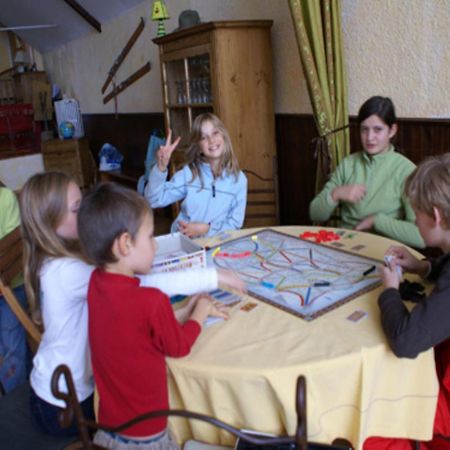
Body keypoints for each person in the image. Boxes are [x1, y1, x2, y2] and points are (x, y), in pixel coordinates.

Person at [19, 172, 244, 437]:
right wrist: (213, 277)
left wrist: (185, 312)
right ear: (50, 223)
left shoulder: (70, 261)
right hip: (64, 404)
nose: (89, 213)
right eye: (78, 208)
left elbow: (133, 307)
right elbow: (145, 288)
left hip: (59, 387)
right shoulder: (67, 272)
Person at [77, 182, 231, 449]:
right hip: (147, 436)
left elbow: (135, 330)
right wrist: (200, 314)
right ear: (125, 244)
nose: (155, 247)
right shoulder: (151, 302)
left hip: (108, 431)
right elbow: (179, 346)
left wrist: (185, 311)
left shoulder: (95, 283)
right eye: (150, 237)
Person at [364, 153, 450, 450]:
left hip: (442, 406)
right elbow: (446, 267)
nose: (414, 219)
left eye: (416, 212)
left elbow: (405, 340)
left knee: (368, 411)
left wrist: (389, 290)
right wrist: (422, 266)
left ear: (436, 216)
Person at [309, 96, 424, 249]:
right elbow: (315, 214)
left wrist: (376, 221)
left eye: (378, 130)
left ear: (392, 130)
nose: (370, 138)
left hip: (384, 255)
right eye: (364, 129)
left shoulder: (407, 171)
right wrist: (335, 194)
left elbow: (420, 237)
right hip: (344, 249)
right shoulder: (348, 164)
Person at [145, 113, 247, 238]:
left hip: (217, 246)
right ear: (198, 147)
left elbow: (235, 224)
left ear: (224, 137)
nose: (211, 140)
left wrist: (207, 229)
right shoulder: (189, 174)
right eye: (204, 137)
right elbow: (153, 200)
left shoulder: (239, 179)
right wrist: (160, 167)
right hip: (186, 245)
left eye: (215, 133)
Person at [0, 182, 28, 393]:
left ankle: (14, 400)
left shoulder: (6, 198)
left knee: (13, 349)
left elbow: (17, 245)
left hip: (11, 287)